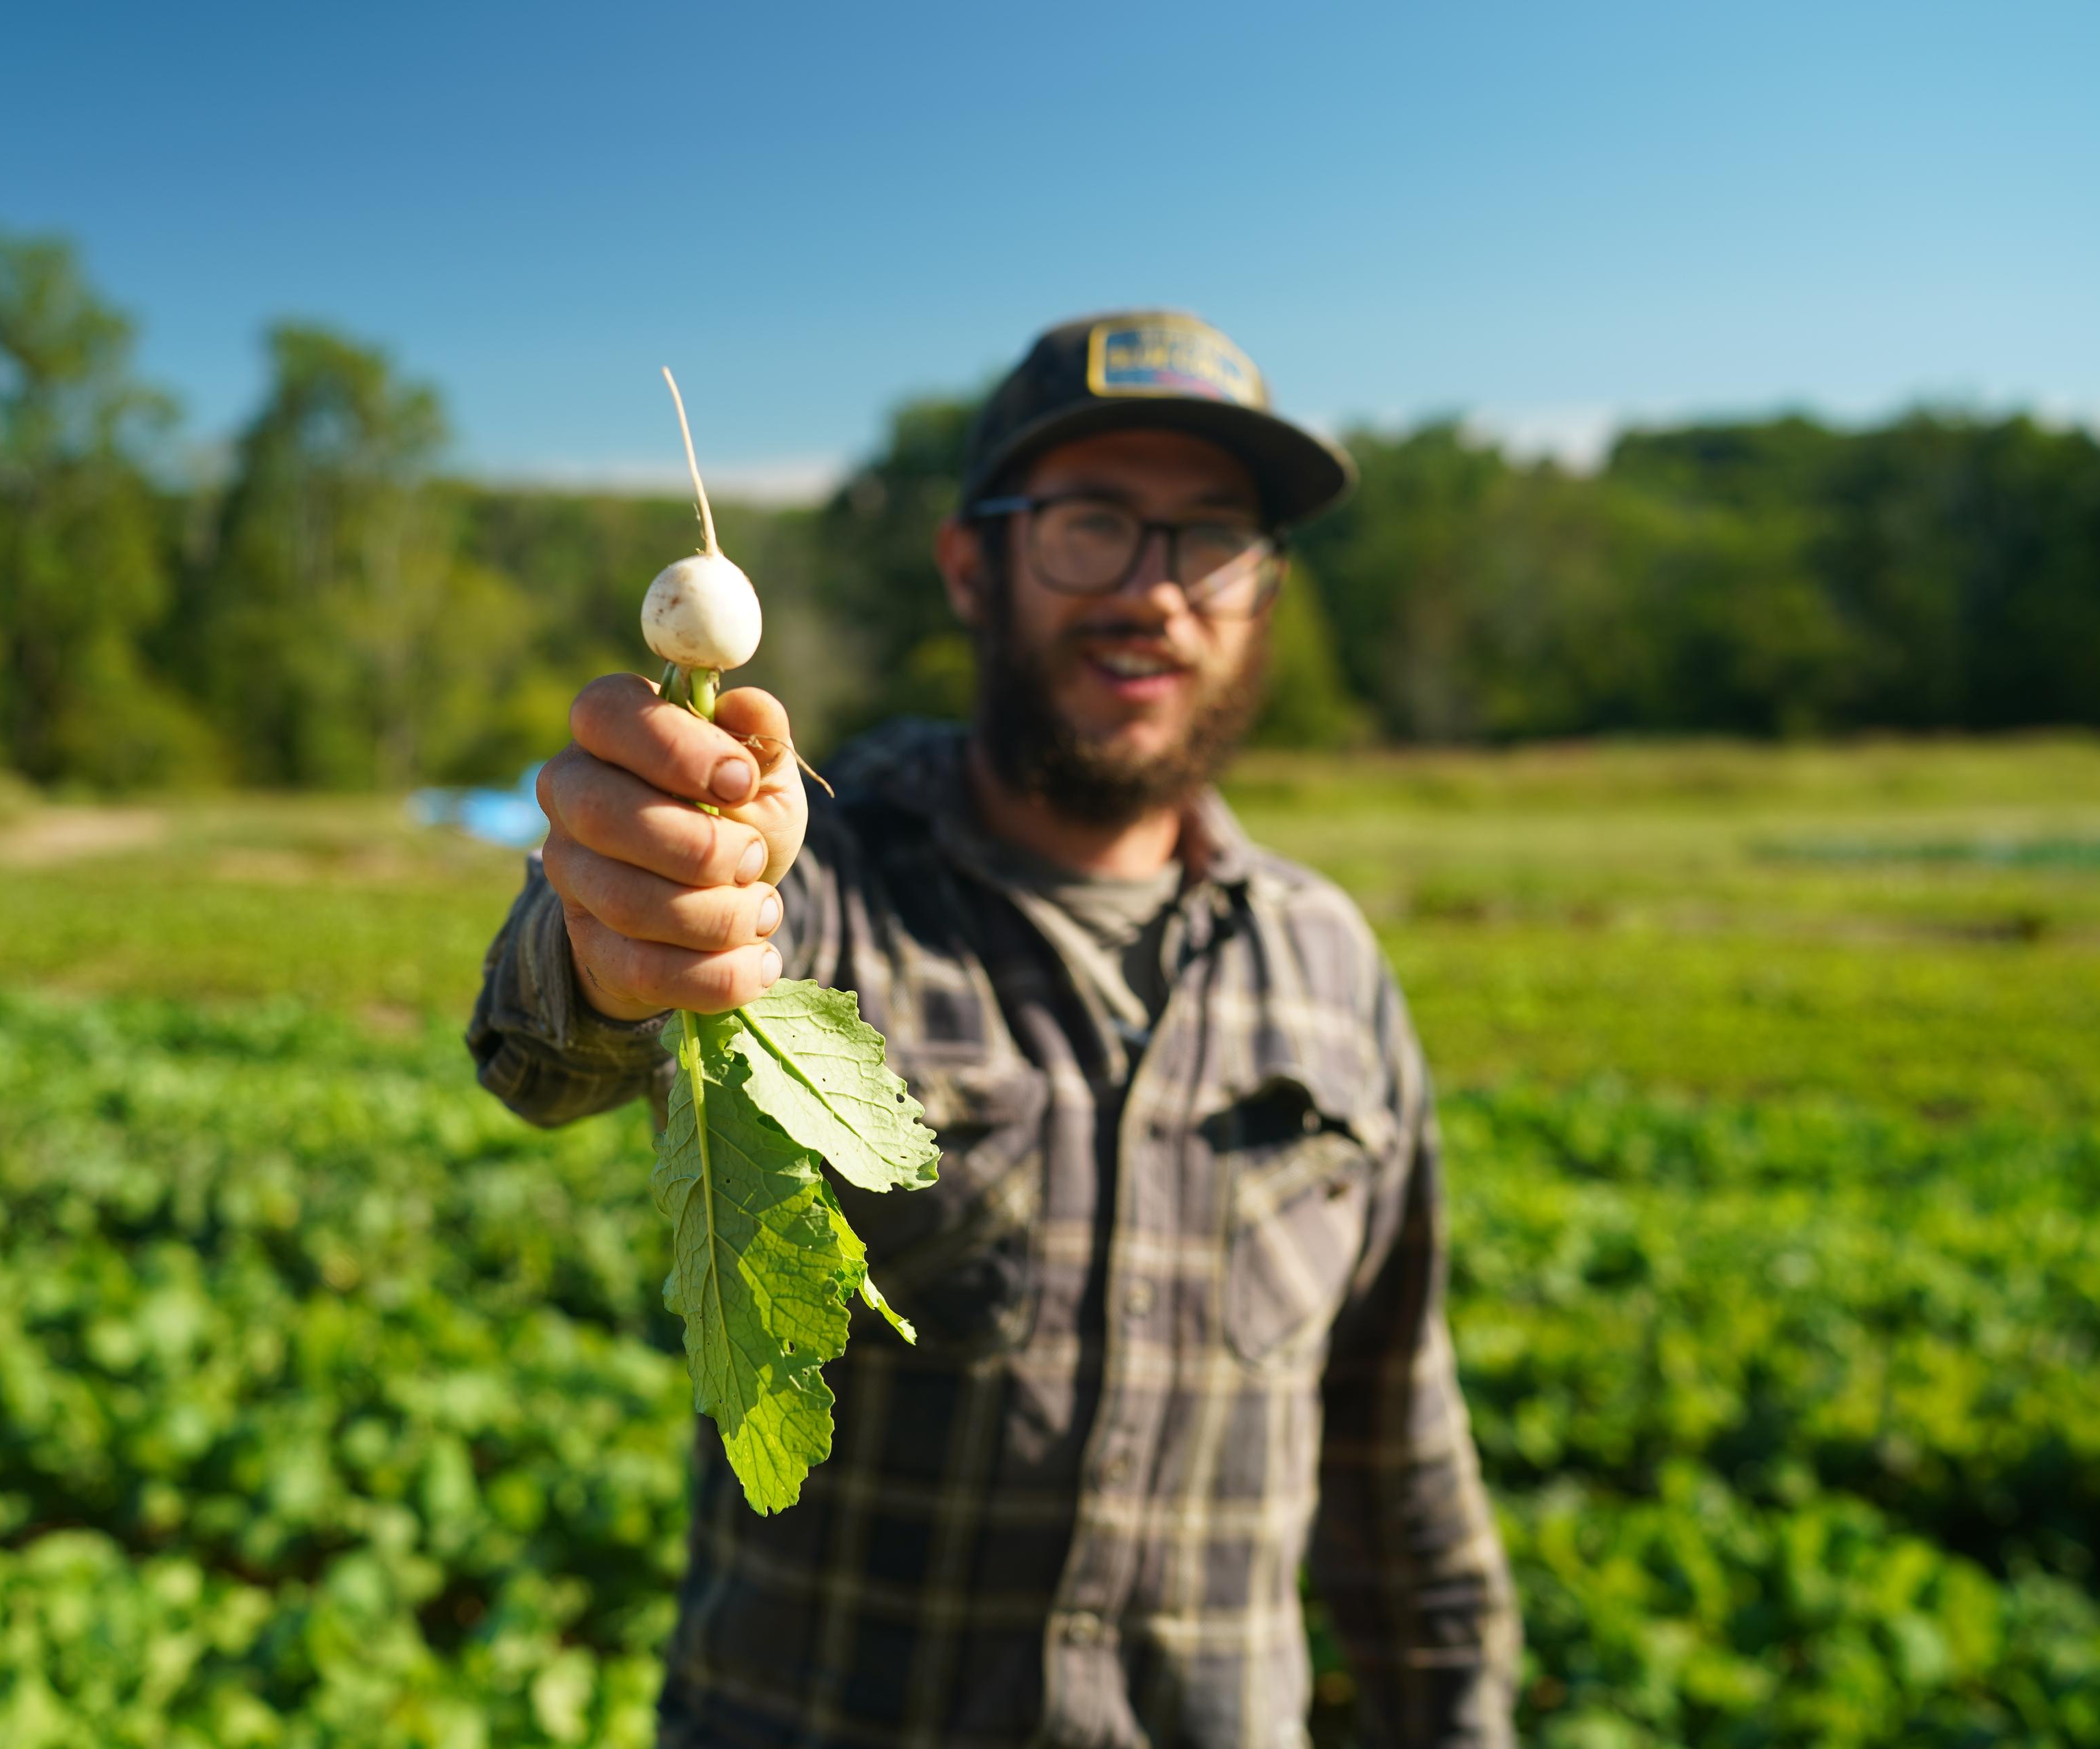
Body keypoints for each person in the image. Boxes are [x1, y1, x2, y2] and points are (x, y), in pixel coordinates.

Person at [470, 312, 1518, 1749]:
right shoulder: (817, 872)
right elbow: (543, 1047)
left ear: (1265, 590)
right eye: (1093, 524)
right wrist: (615, 931)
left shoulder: (1329, 966)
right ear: (974, 564)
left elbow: (1401, 1458)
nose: (1158, 593)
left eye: (1212, 538)